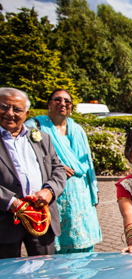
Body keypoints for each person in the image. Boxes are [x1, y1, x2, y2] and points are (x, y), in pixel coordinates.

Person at [24, 89, 102, 253]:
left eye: (67, 101)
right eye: (58, 99)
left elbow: (87, 161)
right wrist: (55, 167)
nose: (63, 104)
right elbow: (26, 157)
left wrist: (93, 190)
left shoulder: (77, 129)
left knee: (83, 241)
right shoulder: (34, 127)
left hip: (81, 192)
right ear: (49, 103)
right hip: (54, 191)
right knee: (57, 243)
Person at [0, 87, 66, 258]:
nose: (10, 113)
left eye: (17, 109)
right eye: (4, 107)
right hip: (4, 222)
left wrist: (50, 190)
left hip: (41, 218)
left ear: (27, 112)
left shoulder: (41, 137)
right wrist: (12, 202)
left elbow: (58, 168)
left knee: (44, 274)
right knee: (6, 277)